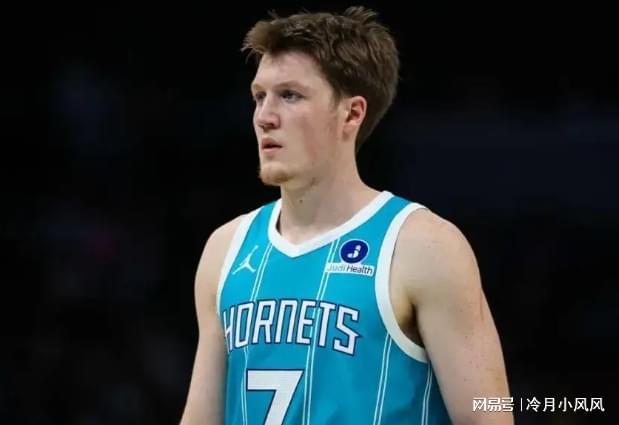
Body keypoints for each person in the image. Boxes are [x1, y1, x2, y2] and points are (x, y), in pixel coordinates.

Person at [180, 6, 513, 425]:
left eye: (290, 95)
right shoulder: (226, 249)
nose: (264, 116)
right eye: (259, 96)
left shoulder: (424, 246)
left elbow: (491, 415)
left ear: (352, 114)